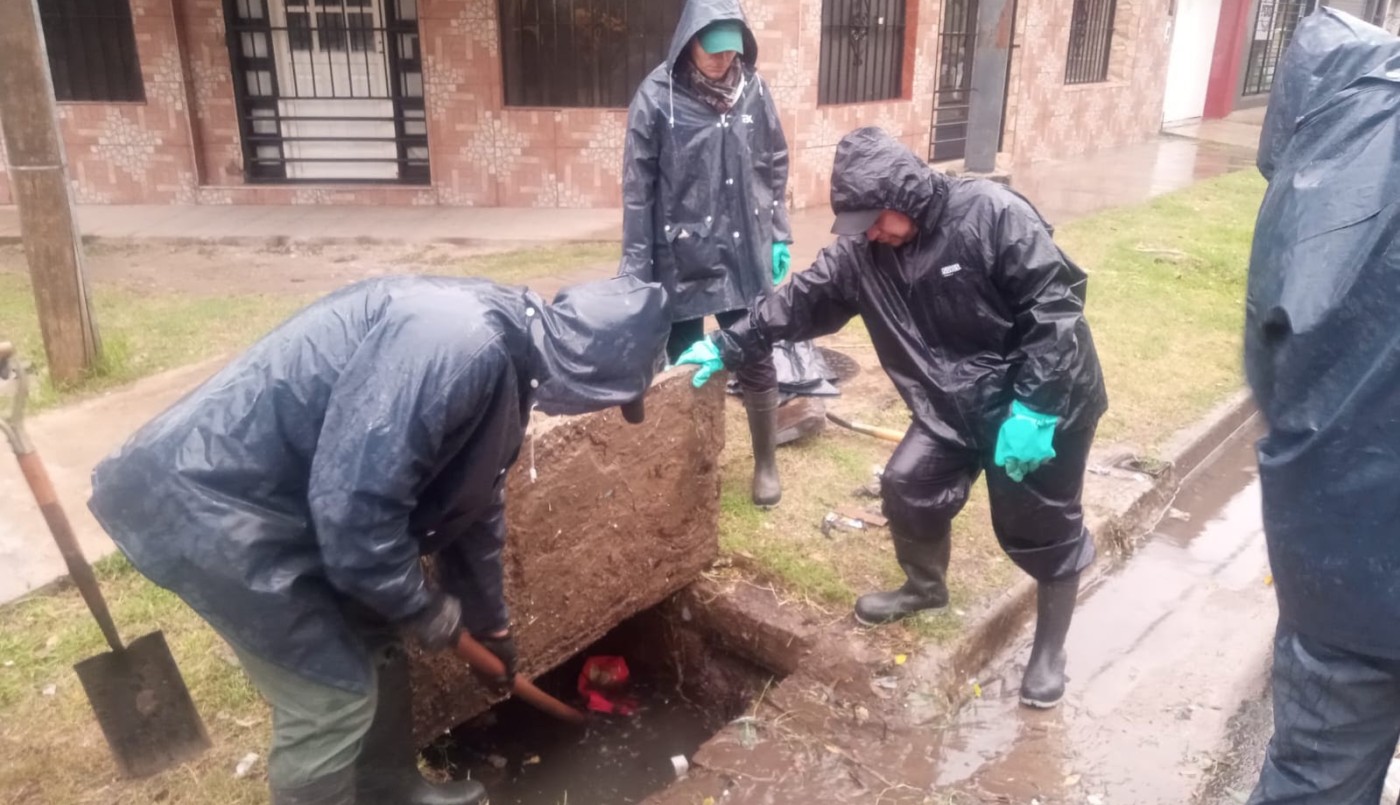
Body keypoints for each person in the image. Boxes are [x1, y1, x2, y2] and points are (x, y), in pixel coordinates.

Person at [87, 275, 669, 805]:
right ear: (592, 374)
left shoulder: (508, 364)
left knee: (380, 642)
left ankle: (389, 789)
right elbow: (353, 516)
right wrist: (429, 610)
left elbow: (474, 514)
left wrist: (491, 629)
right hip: (213, 501)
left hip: (296, 507)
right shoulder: (460, 349)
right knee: (330, 701)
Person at [678, 127, 1107, 708]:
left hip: (1040, 400)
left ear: (903, 196)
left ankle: (1050, 652)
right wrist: (728, 346)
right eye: (860, 226)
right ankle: (925, 587)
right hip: (950, 404)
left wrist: (1036, 408)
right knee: (909, 485)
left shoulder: (991, 213)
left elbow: (1054, 310)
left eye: (876, 219)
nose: (872, 234)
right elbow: (799, 300)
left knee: (1041, 525)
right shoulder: (863, 254)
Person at [1243, 11, 1400, 804]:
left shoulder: (1335, 142)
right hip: (1336, 561)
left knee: (1312, 778)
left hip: (1334, 567)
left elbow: (1271, 356)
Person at [618, 0, 793, 506]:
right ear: (688, 41)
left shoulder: (754, 89)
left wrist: (779, 229)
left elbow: (773, 160)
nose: (721, 61)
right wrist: (635, 268)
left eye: (730, 51)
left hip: (744, 244)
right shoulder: (656, 96)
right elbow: (638, 189)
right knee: (685, 358)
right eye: (712, 50)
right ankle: (694, 462)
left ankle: (766, 464)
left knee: (755, 348)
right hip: (682, 251)